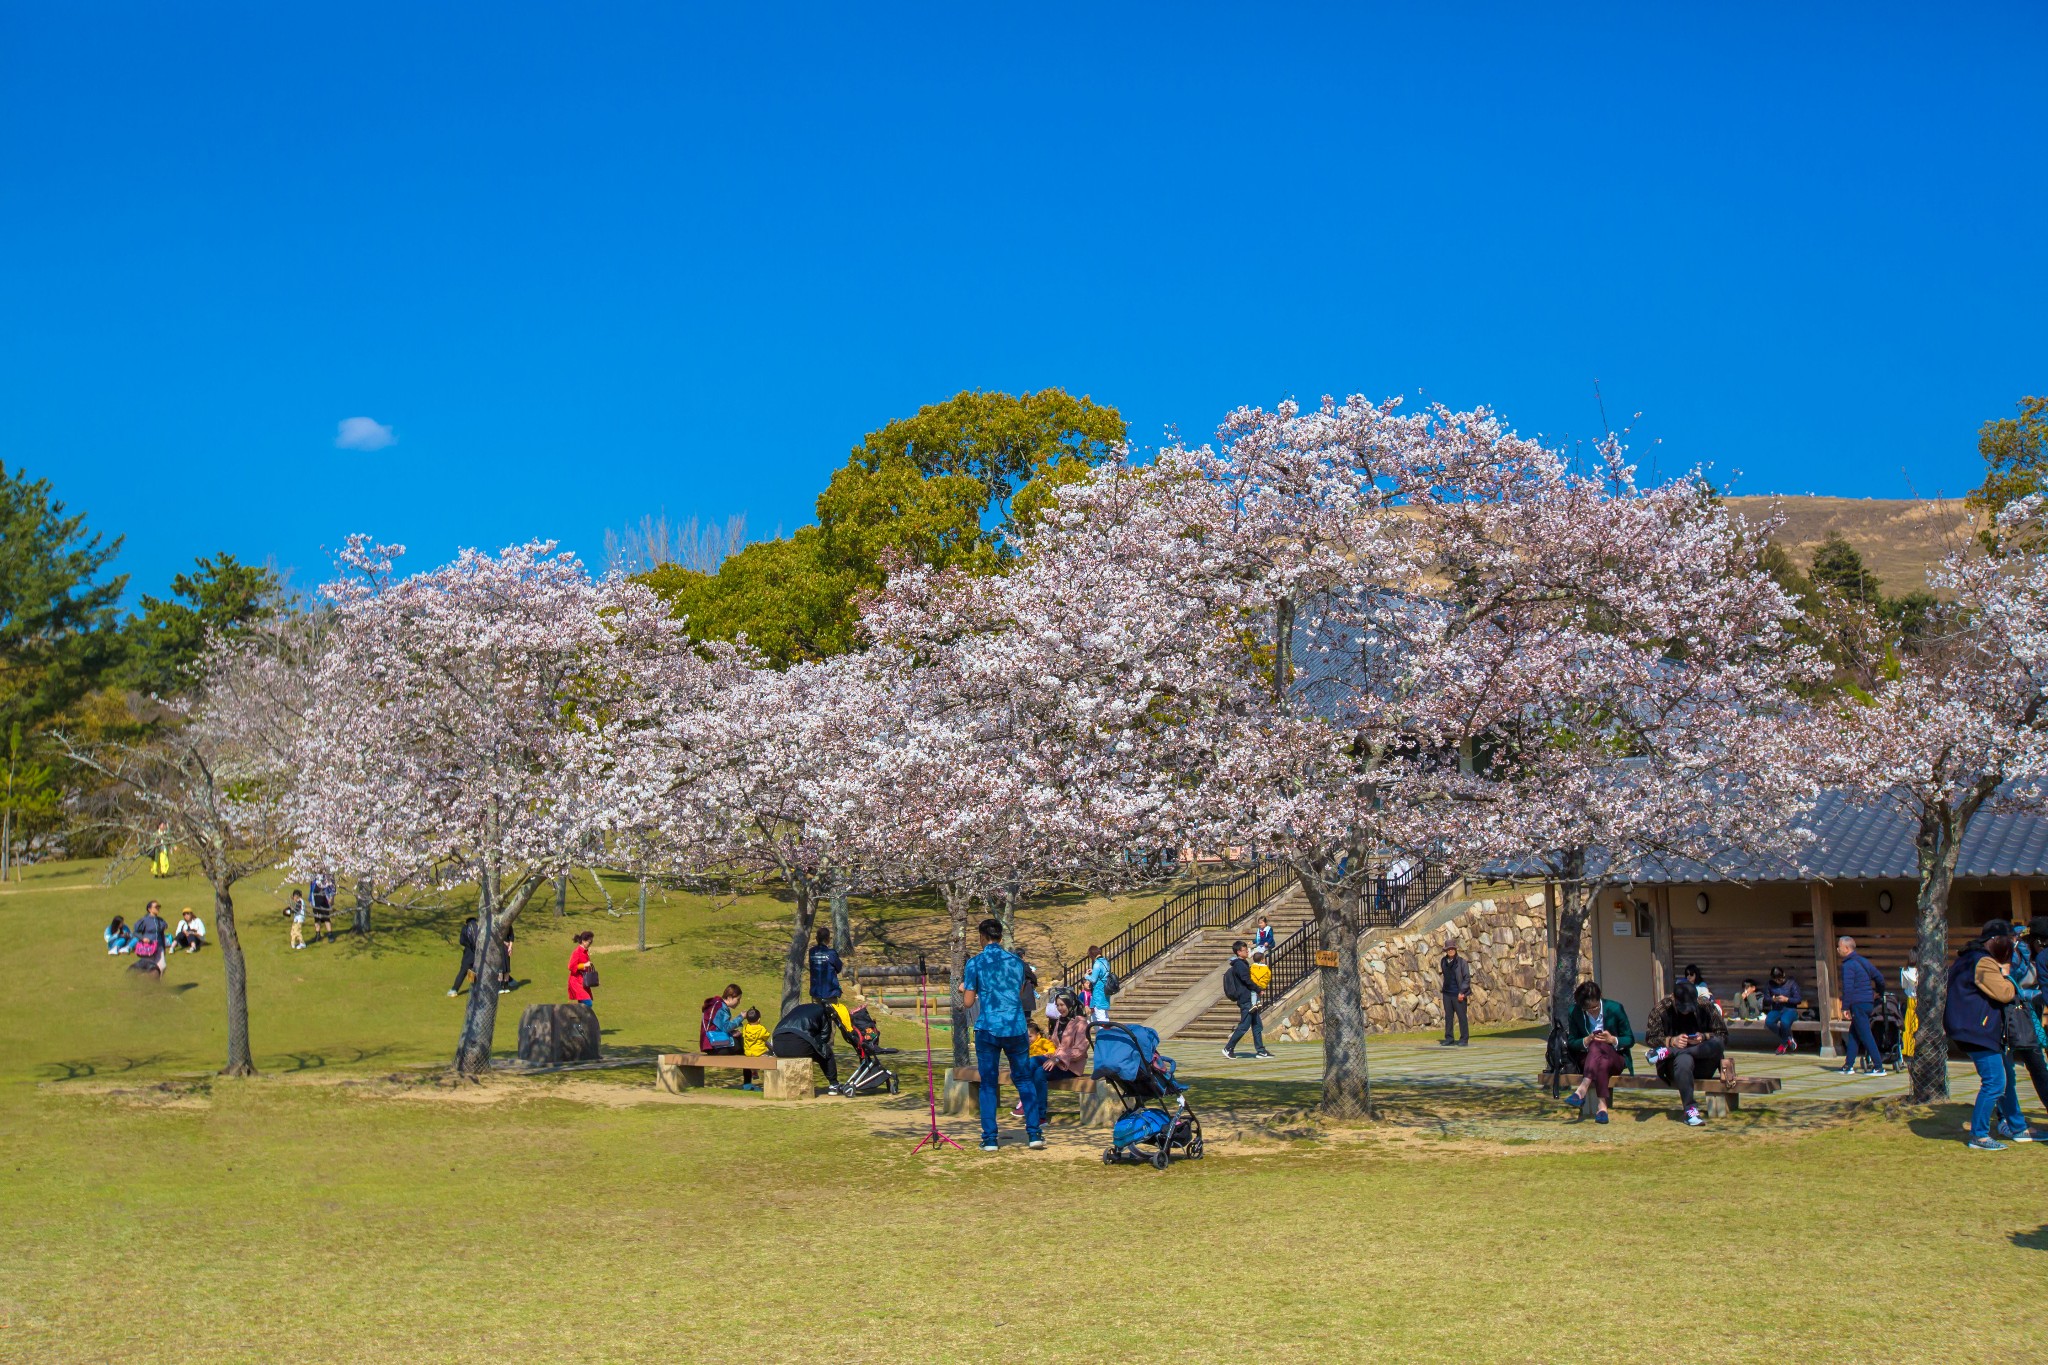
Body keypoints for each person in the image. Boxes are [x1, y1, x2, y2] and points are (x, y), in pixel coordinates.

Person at [960, 917, 1044, 1152]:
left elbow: (968, 1002)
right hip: (1016, 1026)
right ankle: (1034, 1133)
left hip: (988, 1027)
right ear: (1000, 936)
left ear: (981, 937)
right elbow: (1017, 993)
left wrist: (969, 989)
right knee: (1024, 1079)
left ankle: (989, 1139)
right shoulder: (1017, 962)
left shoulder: (975, 963)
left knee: (988, 1083)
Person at [1947, 930, 2031, 1149]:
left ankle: (2013, 1125)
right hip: (1979, 1030)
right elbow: (2004, 993)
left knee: (2005, 1079)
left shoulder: (1969, 958)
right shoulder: (1982, 962)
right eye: (2009, 943)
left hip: (1977, 1029)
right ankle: (1980, 1135)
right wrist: (2009, 977)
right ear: (1995, 940)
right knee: (1995, 1083)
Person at [1643, 980, 1729, 1126]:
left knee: (1717, 1044)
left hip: (1703, 1061)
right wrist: (1671, 1041)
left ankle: (1668, 1052)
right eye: (1683, 1008)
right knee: (1684, 1059)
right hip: (1676, 1069)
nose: (1687, 1011)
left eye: (1690, 1008)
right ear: (1674, 999)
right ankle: (1690, 1111)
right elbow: (1650, 1038)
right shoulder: (1661, 1009)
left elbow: (1723, 1035)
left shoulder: (1706, 1006)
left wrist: (1703, 1037)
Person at [1561, 980, 1635, 1124]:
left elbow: (1630, 1039)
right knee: (1599, 1054)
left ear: (1600, 997)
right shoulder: (1575, 1011)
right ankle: (1602, 1107)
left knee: (1599, 1046)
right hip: (1588, 1059)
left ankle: (1582, 1089)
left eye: (1594, 1007)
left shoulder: (1615, 1009)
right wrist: (1585, 1041)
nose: (1592, 1011)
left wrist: (1612, 1040)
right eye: (1587, 1010)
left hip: (1615, 1057)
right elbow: (1572, 1042)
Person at [770, 999, 852, 1089]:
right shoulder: (823, 1012)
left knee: (814, 1047)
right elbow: (824, 1037)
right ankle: (834, 1083)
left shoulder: (798, 1008)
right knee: (826, 1052)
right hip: (798, 1044)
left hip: (777, 1045)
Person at [1835, 935, 1887, 1075]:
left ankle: (1878, 1067)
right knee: (1854, 1033)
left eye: (1839, 946)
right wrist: (1879, 993)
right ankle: (1848, 1065)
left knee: (1865, 1034)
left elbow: (1848, 988)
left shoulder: (1848, 965)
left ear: (1846, 948)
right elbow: (1880, 978)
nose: (1837, 949)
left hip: (1857, 1003)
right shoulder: (1863, 961)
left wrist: (1845, 1007)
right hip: (1868, 1002)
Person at [1222, 939, 1271, 1059]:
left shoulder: (1242, 963)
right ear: (1239, 952)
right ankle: (1228, 1048)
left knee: (1257, 1025)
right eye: (1245, 950)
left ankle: (1260, 1050)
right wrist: (1258, 989)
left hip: (1249, 998)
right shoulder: (1239, 965)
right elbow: (1247, 980)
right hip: (1246, 998)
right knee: (1244, 1025)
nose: (1247, 952)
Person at [1041, 992, 1090, 1081]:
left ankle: (1037, 1095)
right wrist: (1050, 1052)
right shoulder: (1060, 1021)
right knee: (1029, 1066)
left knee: (1039, 1073)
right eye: (1057, 1005)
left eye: (1062, 1005)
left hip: (1070, 1067)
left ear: (1070, 1003)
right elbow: (1057, 1045)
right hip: (1055, 1060)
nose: (1059, 1008)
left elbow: (1079, 1051)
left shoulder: (1081, 1024)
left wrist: (1057, 1058)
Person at [1762, 967, 1804, 1054]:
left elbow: (1798, 999)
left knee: (1784, 1022)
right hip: (1776, 1009)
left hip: (1790, 1009)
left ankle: (1783, 1043)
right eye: (1776, 980)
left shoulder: (1791, 983)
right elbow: (1765, 999)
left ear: (1783, 975)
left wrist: (1787, 999)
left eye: (1779, 979)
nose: (1778, 981)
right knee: (1769, 1021)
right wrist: (1772, 999)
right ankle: (1788, 1038)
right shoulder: (1770, 984)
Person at [1439, 940, 1471, 1047]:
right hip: (1447, 993)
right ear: (1446, 950)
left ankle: (1464, 1039)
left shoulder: (1462, 962)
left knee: (1462, 1016)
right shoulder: (1443, 961)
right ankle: (1449, 1038)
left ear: (1455, 949)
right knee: (1448, 1017)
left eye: (1452, 948)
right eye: (1449, 949)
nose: (1451, 950)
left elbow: (1466, 978)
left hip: (1458, 993)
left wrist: (1462, 991)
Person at [808, 926, 844, 1003]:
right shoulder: (831, 953)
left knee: (817, 1014)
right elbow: (839, 968)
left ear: (816, 938)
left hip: (816, 992)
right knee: (830, 1014)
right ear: (828, 939)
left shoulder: (812, 952)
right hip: (830, 993)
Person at [739, 1007, 770, 1090]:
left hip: (748, 1052)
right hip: (759, 1052)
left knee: (752, 1057)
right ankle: (757, 1072)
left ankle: (754, 1071)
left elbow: (743, 1035)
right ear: (759, 1019)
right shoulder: (761, 1028)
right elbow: (767, 1036)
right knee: (768, 1055)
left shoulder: (746, 1027)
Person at [567, 930, 596, 1017]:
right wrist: (584, 965)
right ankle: (574, 1016)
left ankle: (579, 1023)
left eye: (591, 942)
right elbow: (571, 967)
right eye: (589, 942)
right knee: (588, 1002)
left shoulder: (585, 952)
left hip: (583, 982)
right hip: (576, 981)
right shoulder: (577, 952)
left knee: (583, 1003)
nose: (590, 944)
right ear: (583, 941)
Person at [447, 914, 476, 993]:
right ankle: (473, 987)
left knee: (463, 972)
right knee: (472, 970)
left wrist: (467, 945)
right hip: (477, 953)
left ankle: (454, 989)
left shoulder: (465, 928)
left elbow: (461, 941)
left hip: (468, 954)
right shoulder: (478, 928)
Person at [1086, 945, 1112, 1023]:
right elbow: (1102, 973)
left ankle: (1104, 1033)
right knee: (1100, 1015)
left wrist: (1086, 976)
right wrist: (1093, 971)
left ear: (1091, 954)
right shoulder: (1105, 961)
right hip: (1105, 989)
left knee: (1100, 1015)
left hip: (1098, 991)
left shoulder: (1097, 963)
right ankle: (1100, 1032)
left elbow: (1093, 979)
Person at [309, 874, 336, 943]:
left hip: (324, 900)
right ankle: (318, 934)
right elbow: (311, 889)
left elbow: (332, 889)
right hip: (315, 900)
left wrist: (332, 898)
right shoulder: (314, 878)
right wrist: (310, 900)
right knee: (316, 918)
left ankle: (330, 934)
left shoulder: (328, 877)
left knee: (326, 917)